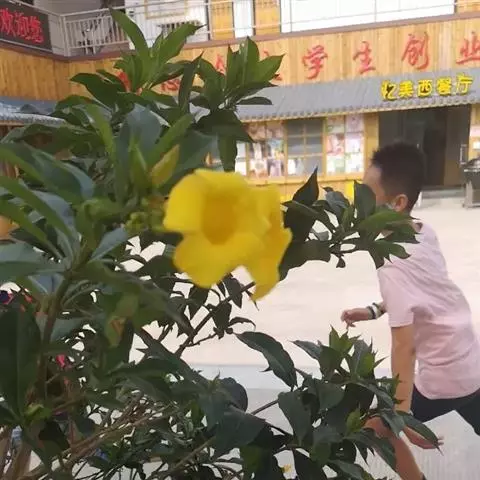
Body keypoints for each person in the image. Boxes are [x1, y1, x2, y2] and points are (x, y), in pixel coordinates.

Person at [341, 142, 480, 480]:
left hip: (446, 374)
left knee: (375, 430)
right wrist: (374, 310)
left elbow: (404, 346)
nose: (358, 205)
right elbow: (424, 293)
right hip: (471, 359)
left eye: (366, 196)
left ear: (397, 203)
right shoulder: (423, 232)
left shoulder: (391, 266)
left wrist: (401, 416)